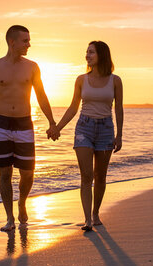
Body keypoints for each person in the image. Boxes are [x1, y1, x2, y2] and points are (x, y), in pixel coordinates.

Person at [0, 25, 58, 232]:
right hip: (1, 123)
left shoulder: (32, 67)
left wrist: (51, 122)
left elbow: (41, 95)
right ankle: (9, 218)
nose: (29, 44)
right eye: (25, 41)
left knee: (28, 173)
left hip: (24, 122)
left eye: (29, 40)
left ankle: (22, 201)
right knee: (4, 173)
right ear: (12, 42)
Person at [49, 41, 123, 231]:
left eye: (91, 52)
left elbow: (119, 109)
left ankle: (95, 213)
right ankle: (87, 219)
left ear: (102, 55)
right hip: (84, 129)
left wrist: (120, 135)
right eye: (86, 52)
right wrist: (57, 127)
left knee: (100, 176)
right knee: (86, 175)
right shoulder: (81, 79)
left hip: (106, 129)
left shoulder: (115, 81)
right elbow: (73, 107)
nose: (87, 55)